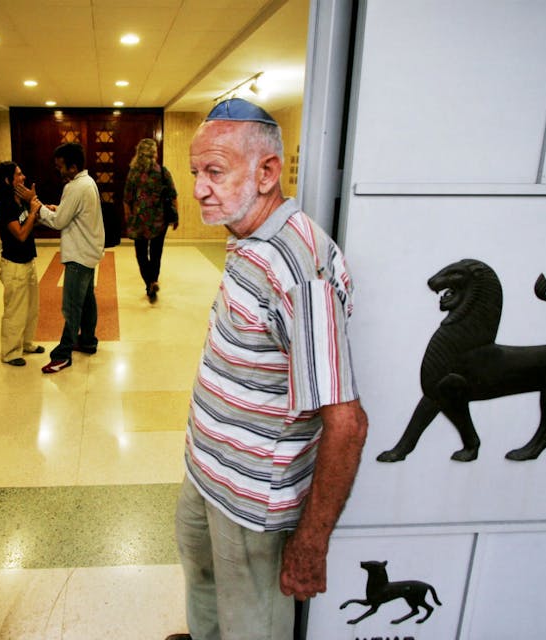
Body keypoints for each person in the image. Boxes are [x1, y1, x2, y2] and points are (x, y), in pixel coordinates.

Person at [167, 98, 369, 640]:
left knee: (251, 626)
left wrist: (311, 541)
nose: (198, 189)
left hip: (252, 500)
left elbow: (348, 424)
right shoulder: (247, 239)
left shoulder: (299, 271)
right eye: (195, 173)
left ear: (266, 172)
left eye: (214, 172)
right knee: (202, 585)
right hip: (209, 472)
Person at [30, 142, 105, 374]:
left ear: (73, 167)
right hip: (90, 251)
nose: (59, 170)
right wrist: (56, 208)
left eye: (61, 166)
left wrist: (37, 207)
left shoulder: (74, 187)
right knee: (87, 300)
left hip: (78, 255)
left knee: (72, 306)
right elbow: (71, 213)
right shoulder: (88, 182)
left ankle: (63, 355)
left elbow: (59, 222)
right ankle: (88, 341)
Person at [0, 161, 43, 366]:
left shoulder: (19, 199)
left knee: (31, 307)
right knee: (15, 311)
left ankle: (26, 343)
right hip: (13, 266)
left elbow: (29, 224)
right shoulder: (5, 205)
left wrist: (37, 208)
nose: (23, 177)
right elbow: (21, 234)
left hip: (27, 261)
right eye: (18, 175)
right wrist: (32, 211)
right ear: (7, 180)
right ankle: (11, 352)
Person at [123, 137, 178, 301]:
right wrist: (176, 216)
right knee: (156, 253)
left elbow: (127, 199)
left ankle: (149, 282)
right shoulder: (162, 171)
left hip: (139, 221)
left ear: (138, 153)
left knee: (141, 254)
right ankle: (153, 280)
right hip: (159, 221)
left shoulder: (133, 174)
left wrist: (129, 218)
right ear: (154, 153)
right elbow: (173, 195)